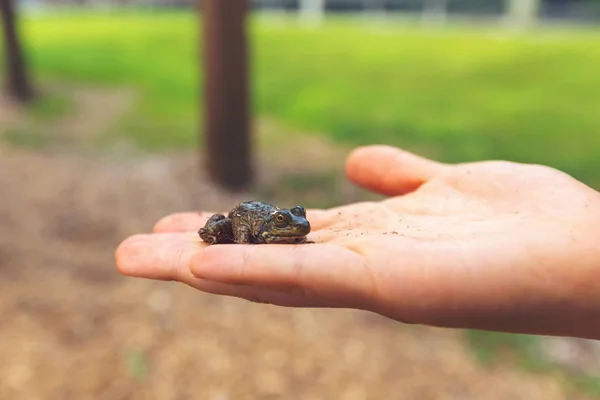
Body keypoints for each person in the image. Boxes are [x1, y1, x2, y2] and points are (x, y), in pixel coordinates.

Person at [115, 145, 600, 340]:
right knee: (215, 231)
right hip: (242, 217)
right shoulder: (260, 229)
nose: (298, 229)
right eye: (290, 224)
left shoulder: (290, 228)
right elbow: (243, 228)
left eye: (297, 223)